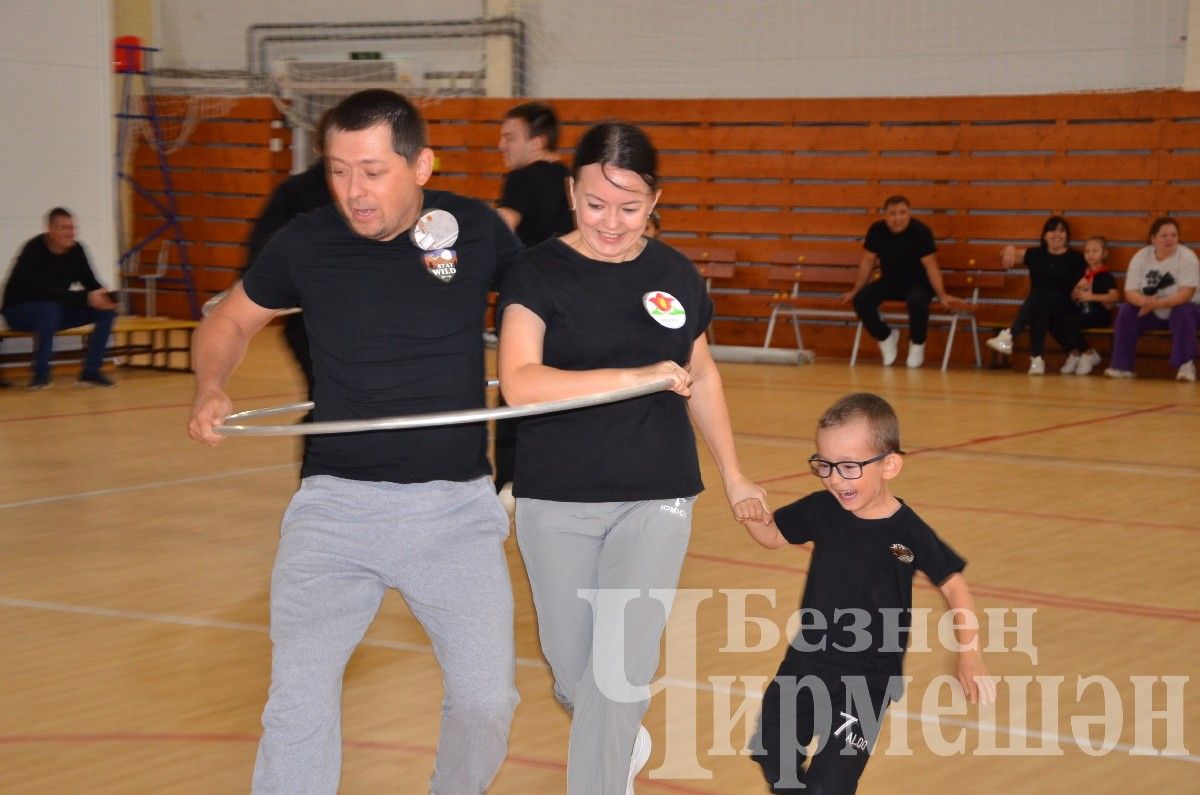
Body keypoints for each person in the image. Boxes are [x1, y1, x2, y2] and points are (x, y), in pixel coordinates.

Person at [188, 89, 522, 794]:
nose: (353, 190)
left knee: (488, 701)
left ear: (421, 163)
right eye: (338, 170)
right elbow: (228, 321)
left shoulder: (475, 227)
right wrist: (210, 385)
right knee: (298, 699)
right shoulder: (308, 240)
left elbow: (551, 302)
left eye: (371, 170)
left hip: (455, 510)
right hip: (334, 508)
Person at [497, 121, 770, 795]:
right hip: (554, 496)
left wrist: (733, 472)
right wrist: (634, 375)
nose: (610, 222)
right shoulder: (535, 271)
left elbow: (700, 374)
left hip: (657, 493)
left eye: (629, 207)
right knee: (572, 668)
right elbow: (520, 381)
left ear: (655, 200)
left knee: (619, 667)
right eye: (594, 204)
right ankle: (618, 730)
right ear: (571, 191)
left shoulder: (675, 273)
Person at [742, 392, 995, 794]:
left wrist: (971, 653)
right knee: (773, 751)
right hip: (808, 662)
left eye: (849, 467)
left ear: (890, 465)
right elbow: (775, 535)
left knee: (830, 784)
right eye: (824, 465)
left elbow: (954, 585)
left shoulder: (907, 532)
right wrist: (752, 515)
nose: (835, 479)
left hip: (868, 679)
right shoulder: (822, 510)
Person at [493, 102, 574, 495]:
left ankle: (510, 481)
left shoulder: (523, 178)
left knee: (515, 387)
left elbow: (500, 228)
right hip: (573, 308)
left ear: (537, 141)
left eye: (510, 137)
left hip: (530, 307)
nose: (501, 145)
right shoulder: (574, 179)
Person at [243, 112, 335, 401]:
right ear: (320, 148)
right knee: (328, 400)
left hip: (373, 324)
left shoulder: (381, 191)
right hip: (312, 326)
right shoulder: (296, 193)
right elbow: (261, 254)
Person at [841, 196, 966, 368]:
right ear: (885, 215)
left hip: (919, 284)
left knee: (917, 301)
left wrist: (942, 294)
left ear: (909, 213)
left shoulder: (921, 232)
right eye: (892, 214)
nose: (897, 218)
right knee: (861, 300)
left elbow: (930, 265)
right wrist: (856, 289)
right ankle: (885, 336)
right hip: (889, 282)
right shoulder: (877, 230)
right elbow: (868, 261)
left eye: (902, 213)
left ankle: (917, 343)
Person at [1, 207, 118, 389]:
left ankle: (91, 372)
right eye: (63, 228)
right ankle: (41, 375)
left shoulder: (77, 250)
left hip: (54, 311)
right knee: (49, 309)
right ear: (50, 230)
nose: (69, 233)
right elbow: (43, 292)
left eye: (71, 228)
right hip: (19, 312)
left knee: (106, 312)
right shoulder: (33, 250)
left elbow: (90, 282)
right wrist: (87, 298)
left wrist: (105, 297)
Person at [984, 216, 1088, 375]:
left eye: (1061, 230)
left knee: (1040, 294)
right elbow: (1005, 253)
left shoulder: (1075, 258)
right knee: (1040, 305)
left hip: (1066, 305)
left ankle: (1013, 338)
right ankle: (1036, 360)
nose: (1056, 234)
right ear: (1045, 235)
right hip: (1042, 304)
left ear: (1067, 236)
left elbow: (1086, 282)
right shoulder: (1035, 254)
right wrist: (1010, 248)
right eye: (1052, 230)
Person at [1105, 217, 1200, 381]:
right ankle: (1122, 366)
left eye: (1174, 235)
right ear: (1153, 238)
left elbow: (1187, 293)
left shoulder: (1187, 257)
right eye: (1164, 235)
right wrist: (1144, 302)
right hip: (1151, 310)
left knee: (1183, 311)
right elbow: (1130, 292)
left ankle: (1186, 365)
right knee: (1127, 311)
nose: (1170, 239)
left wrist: (1156, 303)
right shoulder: (1142, 256)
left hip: (1185, 309)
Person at [1060, 236, 1119, 375]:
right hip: (1083, 313)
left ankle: (1088, 352)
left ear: (1104, 253)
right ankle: (1078, 353)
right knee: (1060, 320)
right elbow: (1075, 295)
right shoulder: (1083, 274)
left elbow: (1115, 296)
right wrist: (1074, 294)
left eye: (1095, 251)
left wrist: (1092, 297)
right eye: (1087, 251)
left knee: (1070, 322)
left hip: (1099, 315)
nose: (1090, 254)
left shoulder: (1105, 275)